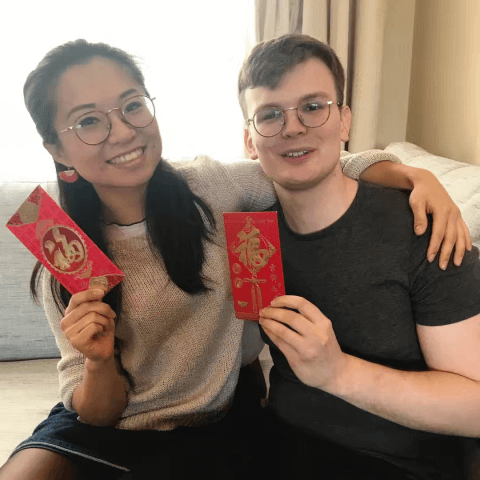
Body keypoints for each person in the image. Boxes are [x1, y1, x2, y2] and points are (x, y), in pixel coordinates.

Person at [0, 39, 471, 480]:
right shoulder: (64, 257)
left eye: (132, 105)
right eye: (88, 121)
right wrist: (99, 361)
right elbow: (96, 412)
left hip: (215, 422)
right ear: (57, 151)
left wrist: (414, 174)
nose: (122, 131)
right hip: (104, 425)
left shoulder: (213, 188)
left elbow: (303, 162)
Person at [239, 33, 480, 479]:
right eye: (270, 115)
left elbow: (475, 408)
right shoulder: (251, 237)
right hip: (278, 442)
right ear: (250, 142)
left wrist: (338, 373)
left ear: (344, 121)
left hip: (394, 463)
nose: (293, 127)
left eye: (313, 107)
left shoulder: (425, 228)